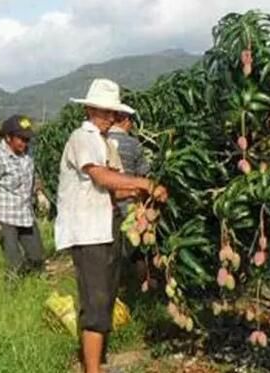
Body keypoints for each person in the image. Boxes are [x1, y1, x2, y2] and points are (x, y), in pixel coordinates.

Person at [55, 78, 168, 373]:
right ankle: (92, 369)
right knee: (96, 302)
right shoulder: (82, 137)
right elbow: (102, 178)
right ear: (90, 109)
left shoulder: (107, 143)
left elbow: (117, 190)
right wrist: (143, 182)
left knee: (104, 298)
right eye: (104, 111)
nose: (109, 117)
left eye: (113, 113)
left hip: (106, 228)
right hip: (88, 231)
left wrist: (142, 193)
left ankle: (98, 362)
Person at [0, 115, 45, 281]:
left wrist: (39, 192)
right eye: (21, 138)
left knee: (37, 257)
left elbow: (32, 175)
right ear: (8, 137)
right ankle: (11, 292)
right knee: (15, 262)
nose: (25, 142)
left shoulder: (27, 155)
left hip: (26, 214)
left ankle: (32, 283)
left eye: (27, 139)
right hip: (6, 217)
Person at [108, 112, 151, 283]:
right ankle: (140, 285)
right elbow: (143, 176)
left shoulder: (100, 142)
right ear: (125, 121)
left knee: (112, 250)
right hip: (130, 205)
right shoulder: (133, 144)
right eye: (131, 121)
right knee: (136, 251)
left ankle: (118, 284)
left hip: (106, 206)